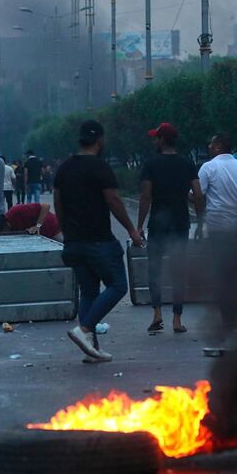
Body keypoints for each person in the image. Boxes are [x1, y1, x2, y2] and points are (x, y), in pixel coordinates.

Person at [54, 120, 144, 363]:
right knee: (118, 285)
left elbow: (58, 203)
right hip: (98, 241)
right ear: (100, 140)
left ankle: (90, 348)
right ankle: (84, 330)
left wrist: (66, 232)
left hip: (74, 243)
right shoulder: (100, 167)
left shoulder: (64, 168)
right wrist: (131, 230)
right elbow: (113, 200)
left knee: (89, 292)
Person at [137, 123, 205, 333]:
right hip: (180, 223)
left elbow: (146, 196)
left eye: (156, 137)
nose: (154, 141)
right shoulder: (187, 164)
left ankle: (157, 314)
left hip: (158, 223)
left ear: (163, 140)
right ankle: (177, 319)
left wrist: (139, 226)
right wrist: (201, 222)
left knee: (154, 268)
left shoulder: (151, 164)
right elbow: (198, 194)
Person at [196, 133, 237, 238]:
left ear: (218, 147)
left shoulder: (208, 167)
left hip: (216, 225)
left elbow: (196, 195)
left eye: (211, 143)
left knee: (218, 254)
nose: (209, 146)